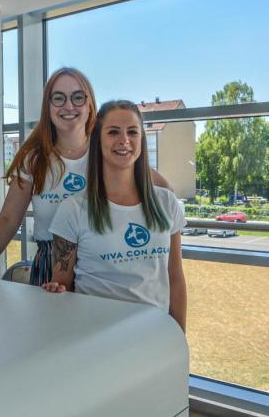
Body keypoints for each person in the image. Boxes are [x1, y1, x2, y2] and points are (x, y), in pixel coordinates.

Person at [0, 68, 171, 285]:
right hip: (50, 263)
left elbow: (159, 187)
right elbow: (8, 219)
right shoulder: (34, 160)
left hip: (100, 266)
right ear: (48, 107)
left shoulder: (105, 152)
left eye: (78, 97)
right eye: (59, 98)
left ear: (89, 106)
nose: (68, 106)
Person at [41, 100, 187, 332]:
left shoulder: (166, 202)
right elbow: (63, 285)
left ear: (141, 140)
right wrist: (55, 291)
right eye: (113, 132)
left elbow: (175, 279)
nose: (124, 140)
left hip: (155, 335)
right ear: (98, 141)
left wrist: (179, 338)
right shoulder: (73, 210)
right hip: (96, 338)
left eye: (132, 132)